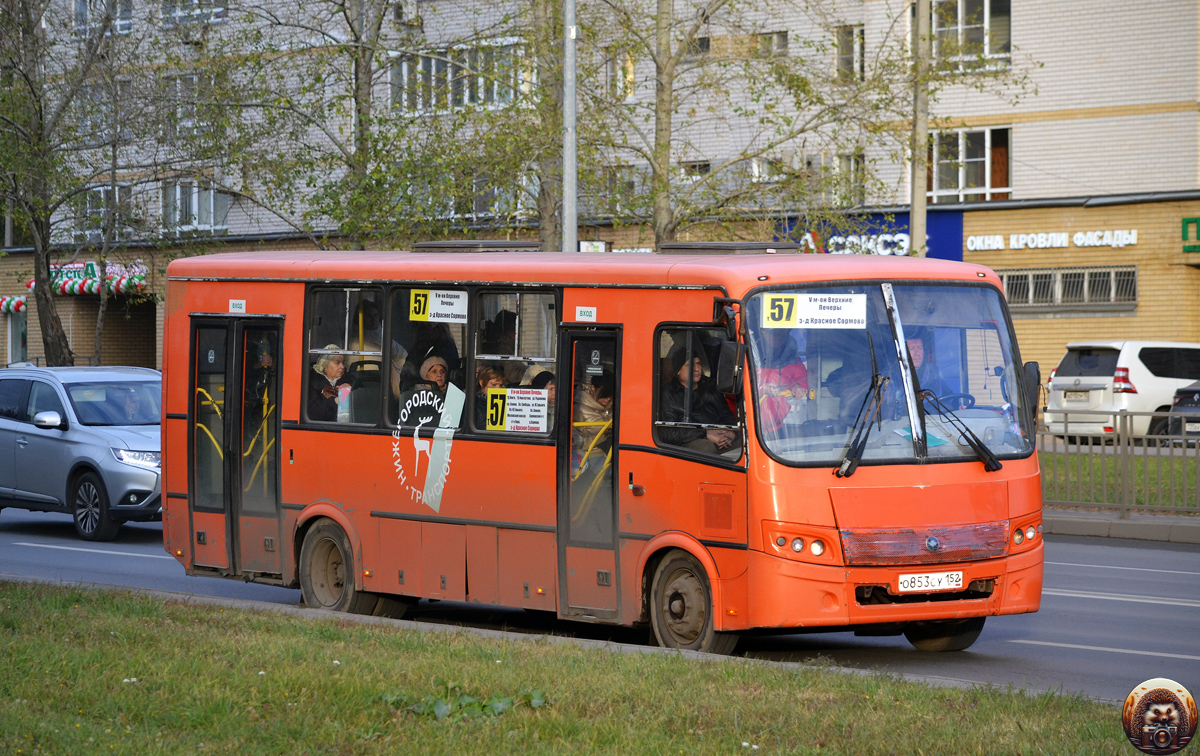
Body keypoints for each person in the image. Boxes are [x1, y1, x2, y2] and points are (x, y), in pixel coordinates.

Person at [660, 344, 740, 454]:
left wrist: (731, 433)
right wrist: (705, 433)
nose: (697, 368)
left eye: (698, 363)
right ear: (678, 371)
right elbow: (668, 433)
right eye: (690, 365)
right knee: (705, 447)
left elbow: (727, 415)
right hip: (690, 441)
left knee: (745, 443)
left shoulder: (710, 387)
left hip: (719, 438)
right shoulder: (669, 393)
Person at [754, 328, 808, 435]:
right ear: (763, 331)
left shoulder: (790, 354)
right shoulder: (751, 351)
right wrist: (761, 388)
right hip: (750, 425)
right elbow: (738, 383)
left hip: (776, 427)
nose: (781, 337)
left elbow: (801, 376)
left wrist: (798, 385)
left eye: (785, 333)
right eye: (776, 334)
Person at [573, 370, 614, 461]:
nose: (608, 399)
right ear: (593, 388)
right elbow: (577, 441)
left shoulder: (611, 407)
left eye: (610, 395)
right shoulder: (579, 408)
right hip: (589, 455)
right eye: (604, 394)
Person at [307, 346, 355, 422]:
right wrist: (335, 402)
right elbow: (315, 413)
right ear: (325, 367)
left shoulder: (350, 379)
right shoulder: (313, 383)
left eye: (343, 362)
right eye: (337, 363)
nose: (342, 366)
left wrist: (351, 387)